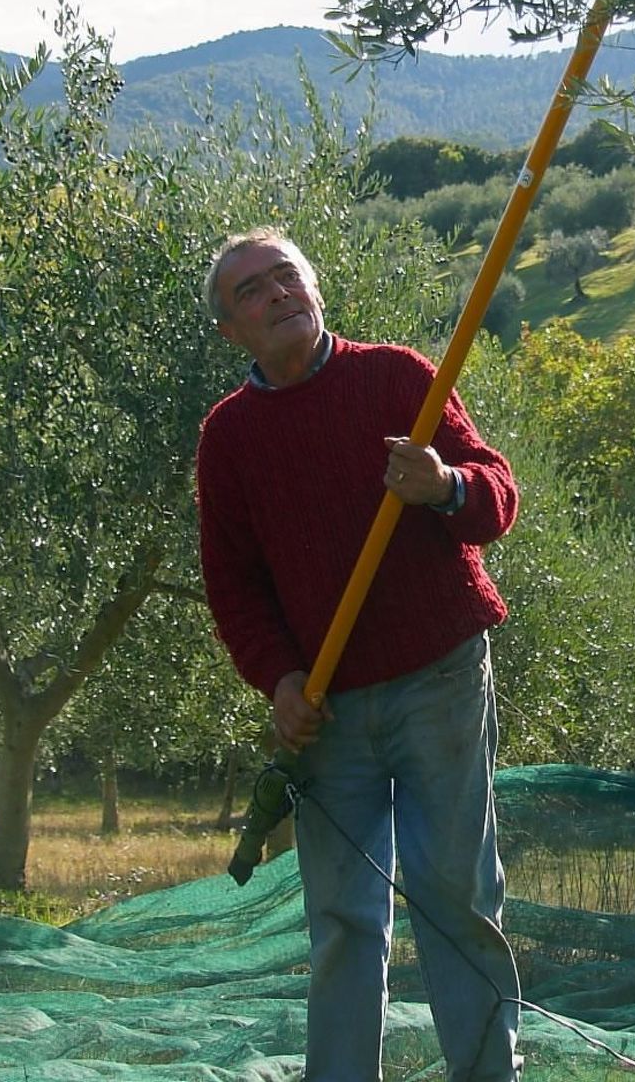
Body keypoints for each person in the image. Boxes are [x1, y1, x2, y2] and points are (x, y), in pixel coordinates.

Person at [195, 227, 522, 1082]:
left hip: (439, 678)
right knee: (342, 916)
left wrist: (444, 486)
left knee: (456, 896)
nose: (276, 295)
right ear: (232, 331)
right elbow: (234, 589)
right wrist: (282, 678)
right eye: (251, 292)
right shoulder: (229, 438)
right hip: (329, 710)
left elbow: (496, 497)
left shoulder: (401, 379)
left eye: (285, 277)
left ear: (315, 286)